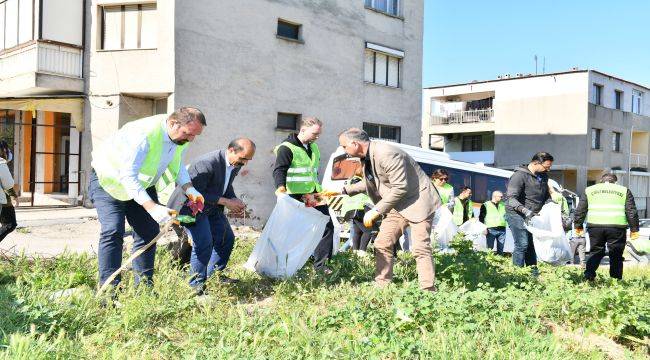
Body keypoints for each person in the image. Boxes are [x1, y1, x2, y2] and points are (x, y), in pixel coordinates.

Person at [89, 107, 206, 288]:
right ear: (174, 123)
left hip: (141, 185)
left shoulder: (180, 138)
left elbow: (177, 164)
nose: (191, 139)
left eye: (195, 135)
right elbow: (127, 176)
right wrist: (152, 207)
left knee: (148, 232)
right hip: (110, 182)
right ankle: (108, 289)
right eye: (189, 134)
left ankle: (144, 287)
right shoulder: (143, 134)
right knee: (112, 231)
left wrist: (190, 189)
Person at [335, 128, 440, 291]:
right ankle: (382, 284)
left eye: (344, 146)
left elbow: (400, 188)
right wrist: (344, 191)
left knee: (420, 248)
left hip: (418, 202)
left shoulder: (386, 153)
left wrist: (376, 210)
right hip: (396, 205)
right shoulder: (368, 156)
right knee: (382, 242)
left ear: (355, 143)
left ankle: (428, 290)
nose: (343, 150)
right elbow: (373, 182)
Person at [168, 138, 255, 294]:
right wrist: (226, 202)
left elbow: (225, 185)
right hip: (187, 209)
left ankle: (214, 275)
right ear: (231, 150)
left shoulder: (235, 164)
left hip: (209, 208)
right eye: (243, 158)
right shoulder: (206, 163)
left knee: (226, 238)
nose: (245, 163)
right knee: (203, 243)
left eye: (248, 160)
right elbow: (194, 194)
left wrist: (233, 198)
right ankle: (195, 287)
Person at [273, 117, 334, 273]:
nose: (317, 137)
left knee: (327, 226)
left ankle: (321, 265)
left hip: (313, 192)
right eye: (315, 133)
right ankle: (285, 263)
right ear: (303, 130)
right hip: (294, 194)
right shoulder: (286, 148)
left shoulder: (314, 147)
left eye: (319, 134)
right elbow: (279, 170)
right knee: (293, 230)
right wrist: (280, 188)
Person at [573, 173, 639, 281]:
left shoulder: (589, 190)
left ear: (601, 181)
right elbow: (631, 211)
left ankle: (589, 275)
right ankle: (615, 280)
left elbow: (580, 210)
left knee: (596, 252)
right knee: (616, 254)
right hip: (617, 226)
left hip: (595, 227)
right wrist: (634, 229)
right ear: (615, 182)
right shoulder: (623, 190)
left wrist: (578, 226)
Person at [505, 152, 554, 273]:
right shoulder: (519, 176)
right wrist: (526, 211)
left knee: (531, 246)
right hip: (516, 214)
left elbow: (546, 196)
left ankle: (533, 274)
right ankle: (517, 275)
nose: (548, 169)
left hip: (532, 216)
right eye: (546, 166)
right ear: (536, 163)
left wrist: (553, 206)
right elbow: (511, 198)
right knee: (522, 244)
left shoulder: (543, 176)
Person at [340, 175, 375, 255]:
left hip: (349, 212)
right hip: (360, 210)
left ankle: (355, 252)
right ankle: (362, 252)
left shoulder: (349, 187)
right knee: (368, 231)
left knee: (357, 232)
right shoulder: (361, 187)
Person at [479, 190, 506, 255]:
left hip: (502, 230)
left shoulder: (503, 205)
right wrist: (484, 228)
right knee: (489, 248)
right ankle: (488, 262)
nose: (502, 198)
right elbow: (481, 218)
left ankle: (499, 262)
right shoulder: (485, 205)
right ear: (494, 196)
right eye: (500, 196)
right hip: (491, 230)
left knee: (501, 249)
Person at [0, 150, 16, 243]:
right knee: (10, 224)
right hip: (4, 201)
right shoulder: (1, 162)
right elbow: (8, 184)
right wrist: (14, 196)